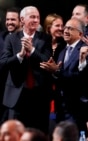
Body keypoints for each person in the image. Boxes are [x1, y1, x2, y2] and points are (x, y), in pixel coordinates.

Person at [0, 6, 52, 134]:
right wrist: (20, 55)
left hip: (39, 95)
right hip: (17, 95)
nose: (36, 20)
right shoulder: (11, 39)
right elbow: (3, 63)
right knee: (15, 133)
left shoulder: (45, 38)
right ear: (22, 20)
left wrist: (32, 50)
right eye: (32, 17)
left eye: (38, 17)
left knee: (38, 133)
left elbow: (46, 60)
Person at [40, 17, 88, 134]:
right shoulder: (62, 51)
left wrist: (57, 71)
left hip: (76, 106)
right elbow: (59, 77)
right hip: (60, 106)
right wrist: (52, 72)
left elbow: (80, 77)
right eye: (65, 28)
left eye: (70, 29)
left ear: (80, 33)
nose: (65, 31)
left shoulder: (84, 50)